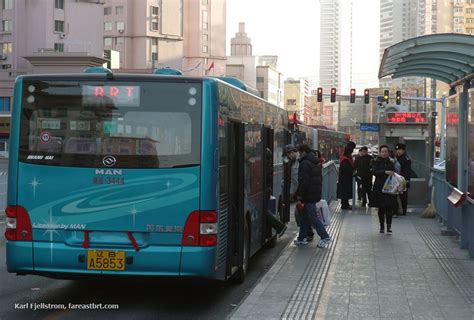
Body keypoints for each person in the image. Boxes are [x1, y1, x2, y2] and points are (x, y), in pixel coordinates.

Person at [294, 144, 331, 247]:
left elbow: (303, 181)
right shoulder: (314, 161)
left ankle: (325, 237)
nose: (299, 155)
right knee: (305, 217)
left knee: (313, 217)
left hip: (308, 194)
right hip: (314, 192)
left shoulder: (305, 163)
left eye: (300, 153)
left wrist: (299, 195)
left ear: (304, 152)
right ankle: (301, 238)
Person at [371, 145, 398, 234]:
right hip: (379, 187)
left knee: (389, 207)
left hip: (389, 187)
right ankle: (382, 226)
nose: (384, 153)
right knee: (381, 207)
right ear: (380, 152)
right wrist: (385, 172)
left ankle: (389, 226)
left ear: (388, 153)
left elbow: (394, 172)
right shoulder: (376, 161)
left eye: (386, 152)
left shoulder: (391, 162)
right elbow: (374, 172)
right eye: (382, 151)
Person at [395, 143, 411, 215]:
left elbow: (407, 171)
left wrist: (407, 180)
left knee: (403, 196)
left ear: (403, 151)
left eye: (400, 150)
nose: (398, 151)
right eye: (397, 150)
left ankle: (403, 211)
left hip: (403, 180)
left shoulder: (406, 159)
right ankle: (397, 210)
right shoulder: (395, 158)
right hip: (395, 179)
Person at [337, 146, 354, 210]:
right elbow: (347, 169)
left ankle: (345, 204)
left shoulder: (345, 158)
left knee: (345, 192)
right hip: (345, 178)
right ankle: (344, 205)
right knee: (345, 192)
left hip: (345, 178)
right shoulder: (345, 159)